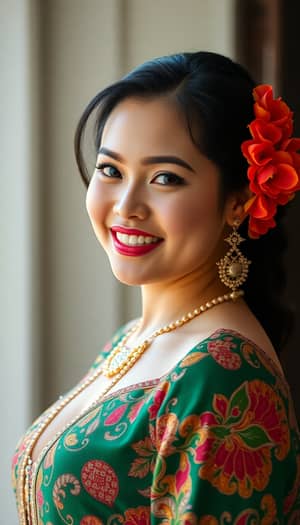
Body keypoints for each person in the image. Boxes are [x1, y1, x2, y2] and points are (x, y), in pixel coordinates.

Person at [12, 51, 300, 524]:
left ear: (239, 200)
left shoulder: (222, 373)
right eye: (111, 170)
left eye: (165, 178)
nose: (127, 206)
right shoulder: (131, 340)